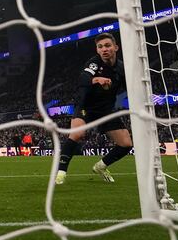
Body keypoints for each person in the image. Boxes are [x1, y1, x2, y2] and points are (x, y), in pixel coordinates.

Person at [55, 33, 132, 184]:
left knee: (126, 144)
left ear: (116, 47)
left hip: (106, 110)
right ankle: (61, 172)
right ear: (97, 50)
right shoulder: (94, 63)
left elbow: (128, 87)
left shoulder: (122, 68)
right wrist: (97, 79)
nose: (104, 49)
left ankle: (101, 166)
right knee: (77, 134)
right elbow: (83, 78)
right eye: (100, 47)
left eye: (108, 46)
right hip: (86, 106)